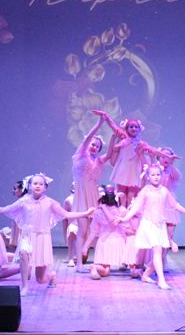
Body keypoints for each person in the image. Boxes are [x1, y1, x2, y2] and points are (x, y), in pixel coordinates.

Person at [0, 173, 95, 296]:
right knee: (23, 254)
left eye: (41, 184)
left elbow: (66, 214)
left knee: (40, 279)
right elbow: (5, 209)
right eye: (35, 183)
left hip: (42, 238)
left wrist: (85, 213)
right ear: (29, 186)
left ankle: (51, 276)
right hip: (27, 236)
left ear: (45, 187)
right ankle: (25, 286)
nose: (38, 186)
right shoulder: (23, 201)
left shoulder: (50, 202)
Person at [115, 163, 185, 290]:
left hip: (160, 225)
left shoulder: (164, 191)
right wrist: (124, 219)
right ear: (148, 177)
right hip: (148, 224)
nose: (156, 177)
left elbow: (175, 205)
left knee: (159, 254)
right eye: (153, 175)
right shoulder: (145, 191)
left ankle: (146, 275)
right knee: (157, 251)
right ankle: (161, 280)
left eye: (158, 174)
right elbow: (136, 208)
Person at [72, 110, 116, 273]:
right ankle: (78, 264)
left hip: (93, 196)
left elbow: (110, 154)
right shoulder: (80, 155)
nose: (94, 147)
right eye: (93, 144)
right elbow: (88, 138)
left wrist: (114, 137)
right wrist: (100, 123)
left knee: (96, 231)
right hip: (81, 196)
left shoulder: (98, 160)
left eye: (97, 146)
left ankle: (99, 263)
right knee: (82, 231)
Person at [105, 117, 180, 207]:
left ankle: (129, 212)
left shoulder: (141, 144)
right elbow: (113, 127)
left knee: (131, 195)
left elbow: (154, 150)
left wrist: (168, 156)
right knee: (121, 194)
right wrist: (106, 117)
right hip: (122, 169)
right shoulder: (123, 139)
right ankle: (122, 210)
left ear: (139, 129)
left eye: (136, 127)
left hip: (133, 171)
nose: (134, 128)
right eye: (131, 127)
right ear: (127, 129)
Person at [81, 185, 129, 280]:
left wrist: (86, 246)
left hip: (105, 242)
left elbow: (93, 232)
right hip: (116, 242)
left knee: (106, 271)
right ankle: (95, 267)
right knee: (129, 266)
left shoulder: (99, 212)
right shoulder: (121, 211)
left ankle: (95, 267)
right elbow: (124, 227)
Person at [158, 147, 182, 255]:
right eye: (163, 156)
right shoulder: (155, 170)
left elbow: (177, 177)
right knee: (157, 235)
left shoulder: (172, 171)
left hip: (169, 204)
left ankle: (163, 258)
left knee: (169, 235)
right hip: (157, 203)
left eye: (169, 156)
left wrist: (171, 164)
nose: (166, 158)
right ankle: (155, 259)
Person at [62, 182, 77, 267]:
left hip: (82, 225)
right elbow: (64, 217)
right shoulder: (68, 200)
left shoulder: (84, 198)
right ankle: (70, 258)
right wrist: (65, 234)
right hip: (73, 224)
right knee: (71, 231)